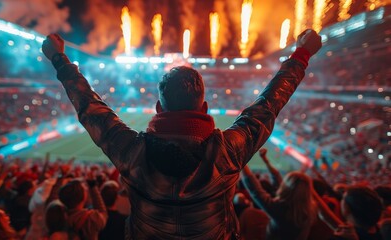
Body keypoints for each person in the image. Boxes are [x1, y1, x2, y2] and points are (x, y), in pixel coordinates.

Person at [42, 29, 322, 239]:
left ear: (158, 108)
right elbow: (269, 104)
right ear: (205, 107)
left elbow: (90, 108)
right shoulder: (227, 150)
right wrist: (300, 56)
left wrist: (59, 59)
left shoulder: (131, 150)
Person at [241, 166, 317, 239]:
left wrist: (242, 163)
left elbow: (256, 190)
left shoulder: (281, 210)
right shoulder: (311, 211)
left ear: (285, 188)